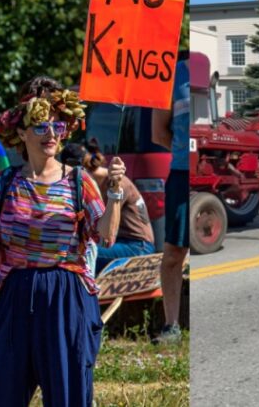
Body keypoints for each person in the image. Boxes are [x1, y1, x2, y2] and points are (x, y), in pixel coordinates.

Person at [0, 76, 125, 406]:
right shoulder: (4, 183)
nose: (51, 134)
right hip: (16, 294)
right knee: (0, 393)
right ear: (22, 133)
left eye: (57, 126)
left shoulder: (79, 182)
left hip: (67, 295)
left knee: (68, 395)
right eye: (40, 126)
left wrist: (115, 191)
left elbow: (106, 235)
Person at [61, 141, 155, 276]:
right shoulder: (98, 183)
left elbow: (107, 235)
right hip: (122, 243)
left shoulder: (117, 183)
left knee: (83, 252)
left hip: (138, 246)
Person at [152, 53, 190, 344]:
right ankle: (171, 326)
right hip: (181, 173)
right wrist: (184, 152)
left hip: (213, 171)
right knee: (174, 253)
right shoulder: (170, 75)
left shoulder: (209, 71)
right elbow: (158, 133)